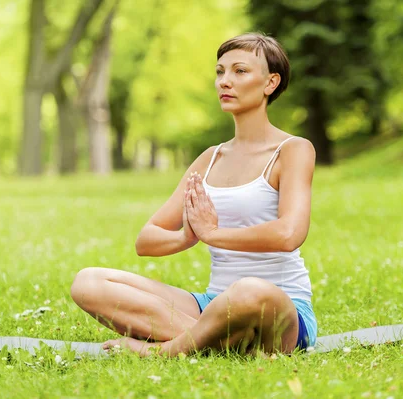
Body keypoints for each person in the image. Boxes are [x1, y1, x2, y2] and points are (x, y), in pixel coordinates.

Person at [70, 32, 317, 357]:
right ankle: (213, 342)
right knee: (88, 282)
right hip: (209, 305)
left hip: (277, 308)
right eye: (220, 72)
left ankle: (164, 350)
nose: (224, 81)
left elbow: (289, 234)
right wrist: (188, 236)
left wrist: (214, 233)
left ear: (270, 83)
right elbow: (146, 241)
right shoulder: (210, 158)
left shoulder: (293, 150)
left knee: (249, 291)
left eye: (239, 71)